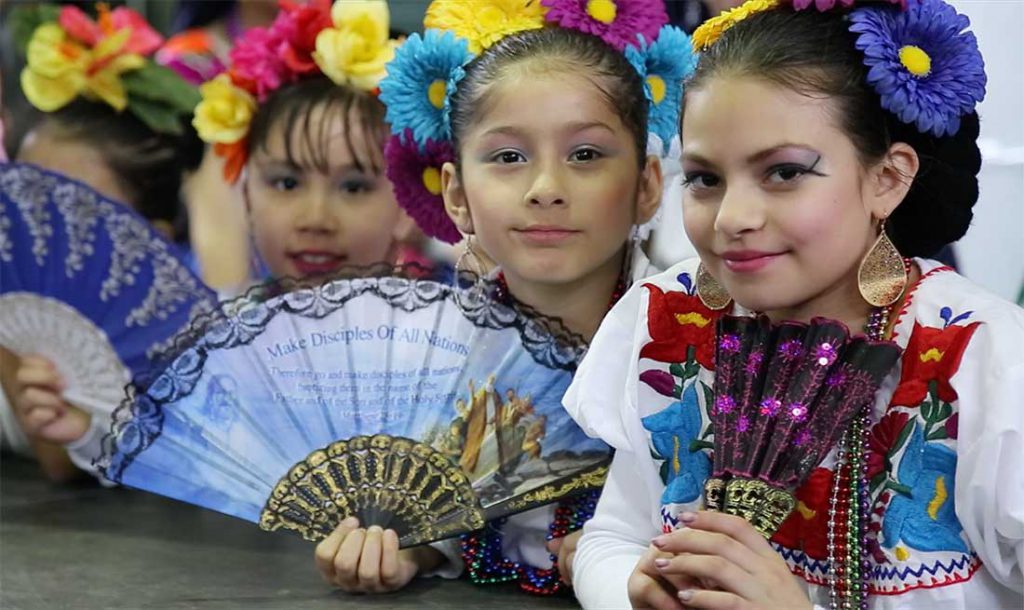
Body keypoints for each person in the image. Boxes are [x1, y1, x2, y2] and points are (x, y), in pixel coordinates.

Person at [564, 1, 1023, 608]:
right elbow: (615, 534)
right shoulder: (667, 324)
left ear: (887, 177)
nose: (732, 218)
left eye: (783, 172)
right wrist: (635, 589)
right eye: (704, 179)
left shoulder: (979, 357)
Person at [315, 0, 695, 596]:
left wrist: (620, 552)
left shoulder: (700, 343)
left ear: (647, 186)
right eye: (509, 157)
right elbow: (441, 502)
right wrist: (406, 548)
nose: (546, 189)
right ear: (457, 194)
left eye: (586, 155)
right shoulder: (430, 350)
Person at [3, 4, 203, 483]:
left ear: (151, 243)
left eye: (79, 216)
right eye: (31, 202)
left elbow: (57, 460)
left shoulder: (176, 352)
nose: (45, 233)